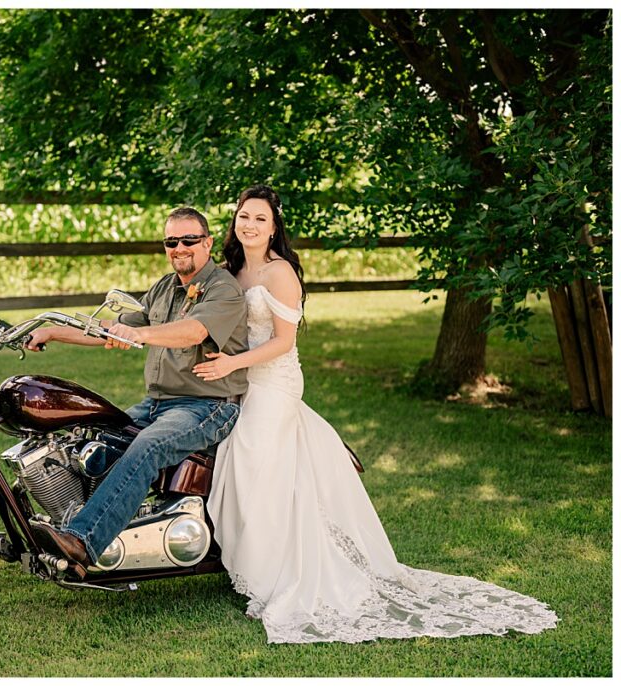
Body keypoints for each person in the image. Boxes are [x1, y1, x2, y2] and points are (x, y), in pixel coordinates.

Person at [193, 184, 558, 644]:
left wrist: (232, 363)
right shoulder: (231, 271)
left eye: (259, 219)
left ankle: (280, 580)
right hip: (242, 381)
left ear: (274, 226)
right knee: (241, 464)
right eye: (243, 216)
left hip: (275, 381)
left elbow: (284, 342)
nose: (249, 225)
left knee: (254, 462)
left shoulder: (280, 273)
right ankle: (254, 562)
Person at [24, 207, 249, 577]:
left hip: (205, 405)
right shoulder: (164, 288)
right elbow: (113, 327)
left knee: (147, 446)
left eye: (189, 239)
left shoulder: (224, 289)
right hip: (158, 403)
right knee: (92, 435)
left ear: (207, 242)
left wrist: (141, 335)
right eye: (171, 241)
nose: (180, 247)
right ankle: (67, 520)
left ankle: (83, 540)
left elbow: (193, 331)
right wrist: (52, 328)